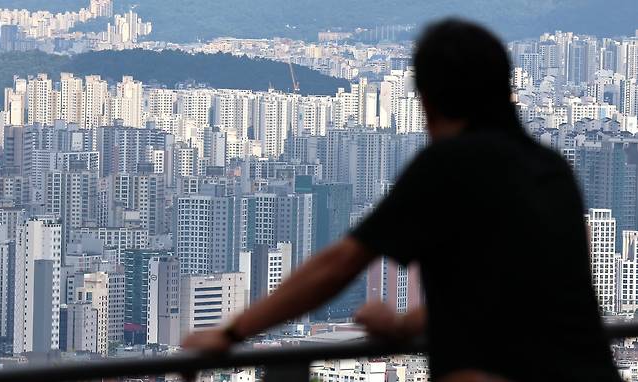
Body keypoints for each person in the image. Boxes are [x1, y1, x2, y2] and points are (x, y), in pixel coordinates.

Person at [182, 19, 622, 382]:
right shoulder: (552, 168)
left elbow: (340, 263)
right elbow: (515, 300)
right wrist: (403, 327)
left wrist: (232, 332)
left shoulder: (451, 162)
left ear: (428, 100)